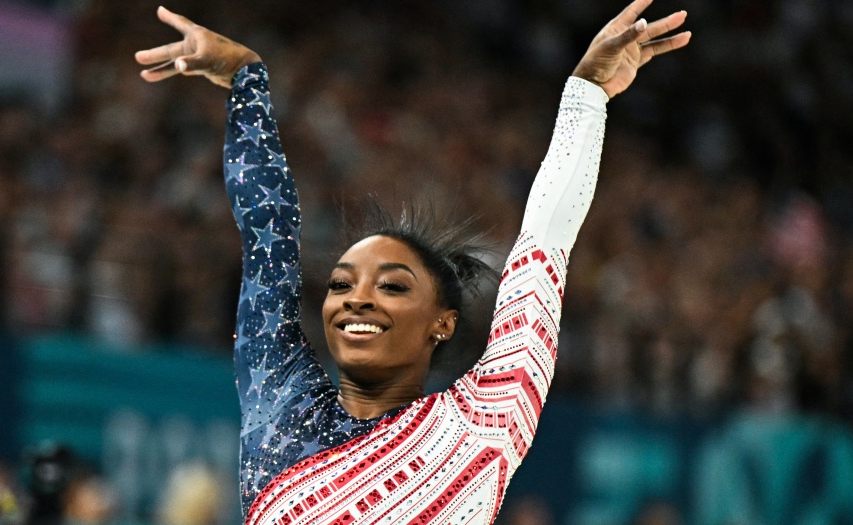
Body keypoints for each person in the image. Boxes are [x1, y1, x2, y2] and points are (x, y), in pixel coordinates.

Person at [135, 1, 690, 523]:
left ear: (443, 322)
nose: (357, 297)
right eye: (341, 284)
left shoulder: (480, 425)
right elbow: (268, 239)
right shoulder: (278, 394)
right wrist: (246, 77)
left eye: (393, 287)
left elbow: (547, 240)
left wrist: (586, 97)